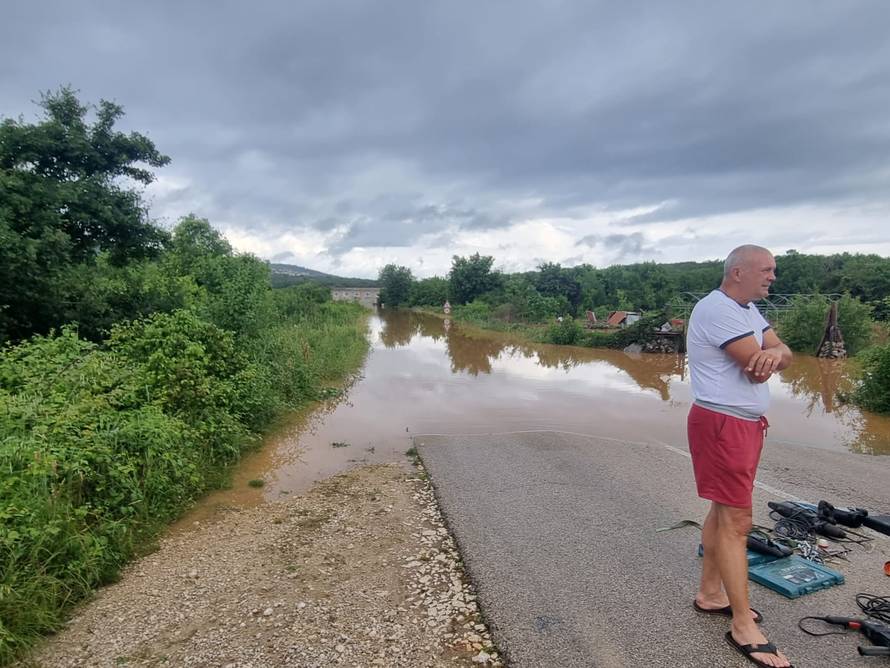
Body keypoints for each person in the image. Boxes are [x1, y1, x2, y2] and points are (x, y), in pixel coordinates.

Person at [686, 245, 793, 668]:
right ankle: (743, 626)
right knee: (737, 521)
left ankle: (712, 595)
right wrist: (772, 356)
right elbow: (758, 365)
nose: (773, 277)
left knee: (722, 513)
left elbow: (782, 352)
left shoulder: (747, 309)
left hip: (741, 425)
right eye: (766, 270)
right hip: (723, 424)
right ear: (737, 272)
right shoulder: (719, 310)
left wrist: (777, 353)